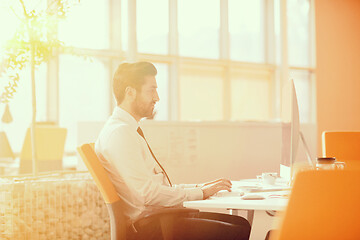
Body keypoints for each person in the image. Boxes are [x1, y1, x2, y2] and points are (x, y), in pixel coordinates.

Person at [95, 62, 251, 240]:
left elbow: (156, 188)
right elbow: (147, 194)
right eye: (151, 90)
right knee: (235, 232)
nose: (157, 97)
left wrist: (201, 187)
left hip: (159, 219)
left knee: (240, 224)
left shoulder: (126, 130)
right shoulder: (120, 133)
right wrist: (201, 193)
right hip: (152, 227)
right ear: (130, 92)